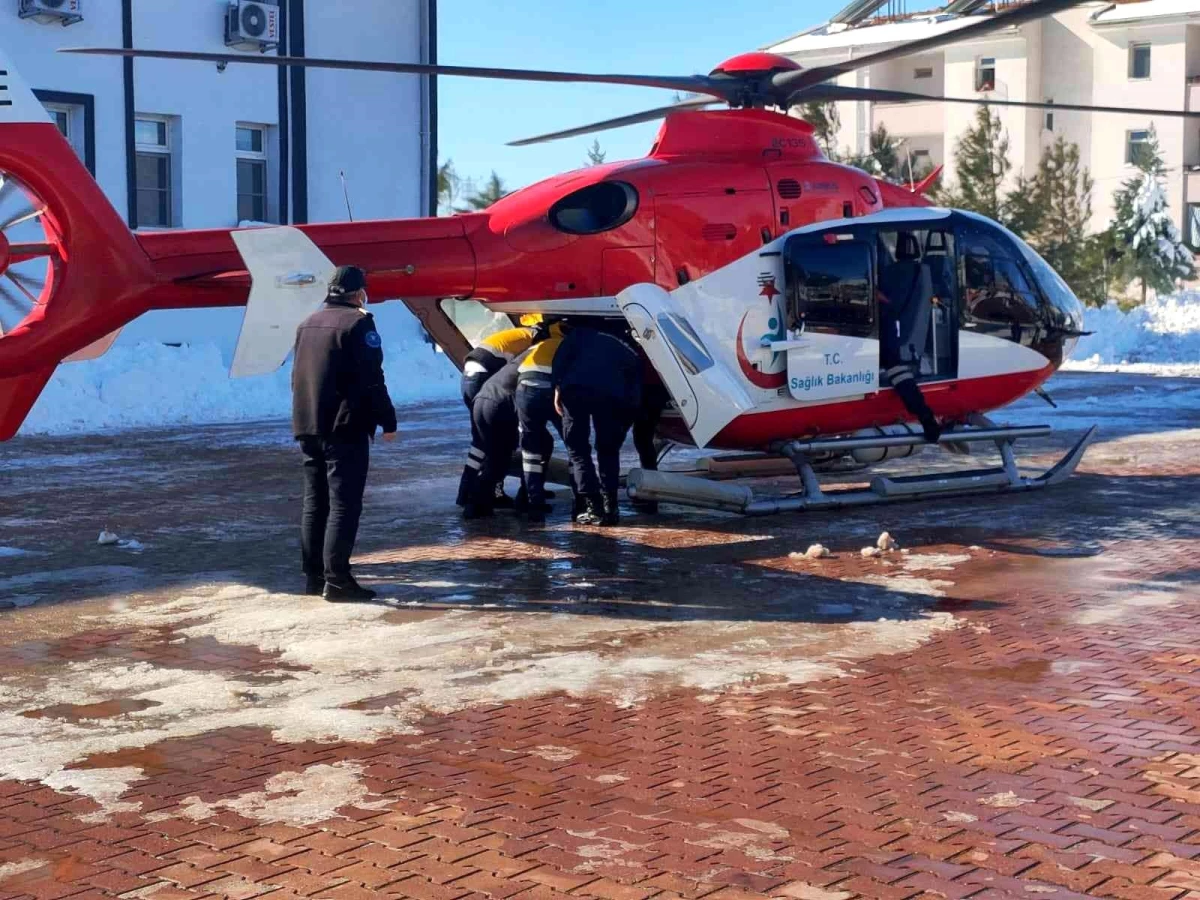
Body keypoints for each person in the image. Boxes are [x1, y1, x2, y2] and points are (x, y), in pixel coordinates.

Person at [292, 265, 397, 602]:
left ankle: (314, 577)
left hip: (308, 424)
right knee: (344, 504)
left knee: (315, 502)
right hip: (345, 426)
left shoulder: (307, 323)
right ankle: (337, 580)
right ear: (359, 293)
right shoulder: (359, 323)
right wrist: (388, 419)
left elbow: (298, 376)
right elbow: (371, 378)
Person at [552, 321, 642, 527]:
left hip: (575, 390)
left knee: (577, 450)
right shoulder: (631, 347)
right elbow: (634, 393)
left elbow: (559, 362)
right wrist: (623, 427)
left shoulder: (579, 333)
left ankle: (592, 506)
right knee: (608, 450)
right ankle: (611, 507)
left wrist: (556, 389)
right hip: (612, 395)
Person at [456, 316, 545, 508]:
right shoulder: (535, 340)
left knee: (481, 440)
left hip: (469, 377)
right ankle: (494, 492)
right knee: (503, 441)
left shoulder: (520, 334)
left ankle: (466, 491)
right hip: (485, 379)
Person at [876, 234, 941, 443]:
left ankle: (926, 416)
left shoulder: (889, 274)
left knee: (895, 367)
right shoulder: (924, 272)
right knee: (897, 369)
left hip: (889, 331)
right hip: (905, 334)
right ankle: (926, 417)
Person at [514, 320, 569, 524]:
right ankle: (583, 500)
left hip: (525, 391)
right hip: (551, 391)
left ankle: (531, 502)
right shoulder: (568, 345)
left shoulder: (536, 347)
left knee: (531, 450)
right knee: (574, 445)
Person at [463, 350, 528, 520]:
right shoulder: (543, 354)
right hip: (498, 404)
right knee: (499, 458)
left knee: (490, 454)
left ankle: (469, 497)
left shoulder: (524, 355)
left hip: (481, 398)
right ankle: (477, 504)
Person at [630, 357, 671, 515]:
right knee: (644, 438)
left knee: (642, 437)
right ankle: (650, 482)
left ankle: (650, 488)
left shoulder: (638, 351)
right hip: (656, 391)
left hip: (646, 392)